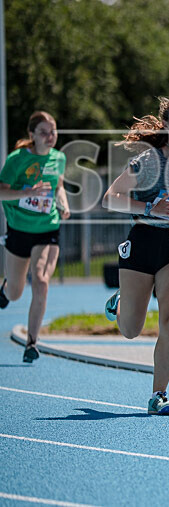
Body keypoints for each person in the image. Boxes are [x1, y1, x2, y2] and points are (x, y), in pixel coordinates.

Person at [102, 97, 169, 415]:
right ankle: (119, 304)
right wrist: (151, 207)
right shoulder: (148, 162)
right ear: (165, 124)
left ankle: (158, 395)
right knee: (131, 329)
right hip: (142, 244)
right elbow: (111, 198)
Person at [0, 111, 70, 362]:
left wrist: (62, 203)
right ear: (32, 135)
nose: (50, 136)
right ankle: (6, 287)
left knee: (41, 280)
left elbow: (58, 185)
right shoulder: (17, 159)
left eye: (53, 131)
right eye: (44, 132)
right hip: (19, 229)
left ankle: (32, 342)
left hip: (47, 228)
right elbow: (2, 192)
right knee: (15, 294)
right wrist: (27, 192)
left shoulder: (58, 158)